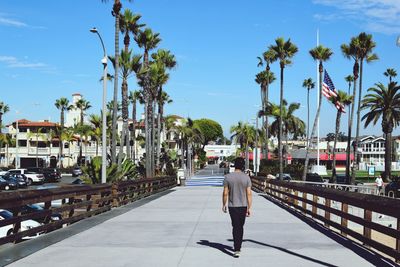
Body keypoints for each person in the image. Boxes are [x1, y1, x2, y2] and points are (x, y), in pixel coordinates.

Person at [222, 157, 252, 258]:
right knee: (240, 226)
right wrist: (249, 207)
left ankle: (237, 248)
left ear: (235, 165)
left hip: (232, 206)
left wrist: (224, 204)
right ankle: (238, 247)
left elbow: (225, 193)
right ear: (243, 166)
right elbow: (249, 194)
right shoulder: (246, 178)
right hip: (243, 206)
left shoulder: (228, 177)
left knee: (235, 226)